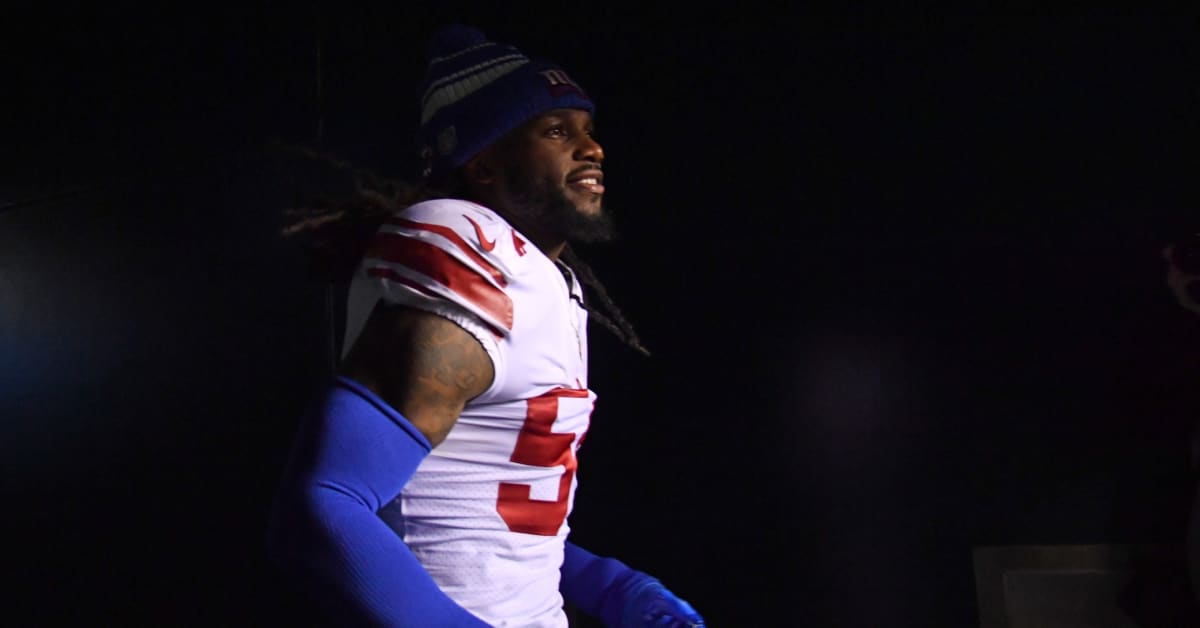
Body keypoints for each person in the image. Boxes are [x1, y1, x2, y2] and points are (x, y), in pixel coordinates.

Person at [267, 24, 706, 628]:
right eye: (556, 132)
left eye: (589, 132)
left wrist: (617, 588)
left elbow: (487, 522)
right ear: (483, 163)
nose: (592, 149)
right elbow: (324, 506)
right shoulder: (474, 263)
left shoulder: (546, 285)